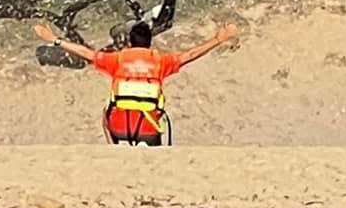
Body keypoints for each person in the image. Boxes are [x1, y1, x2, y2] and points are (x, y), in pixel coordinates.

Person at [33, 19, 238, 145]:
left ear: (130, 43)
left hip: (119, 129)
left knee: (107, 110)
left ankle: (113, 147)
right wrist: (217, 40)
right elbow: (190, 55)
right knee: (154, 109)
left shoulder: (117, 60)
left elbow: (85, 53)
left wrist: (55, 39)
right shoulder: (160, 61)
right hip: (148, 130)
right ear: (149, 43)